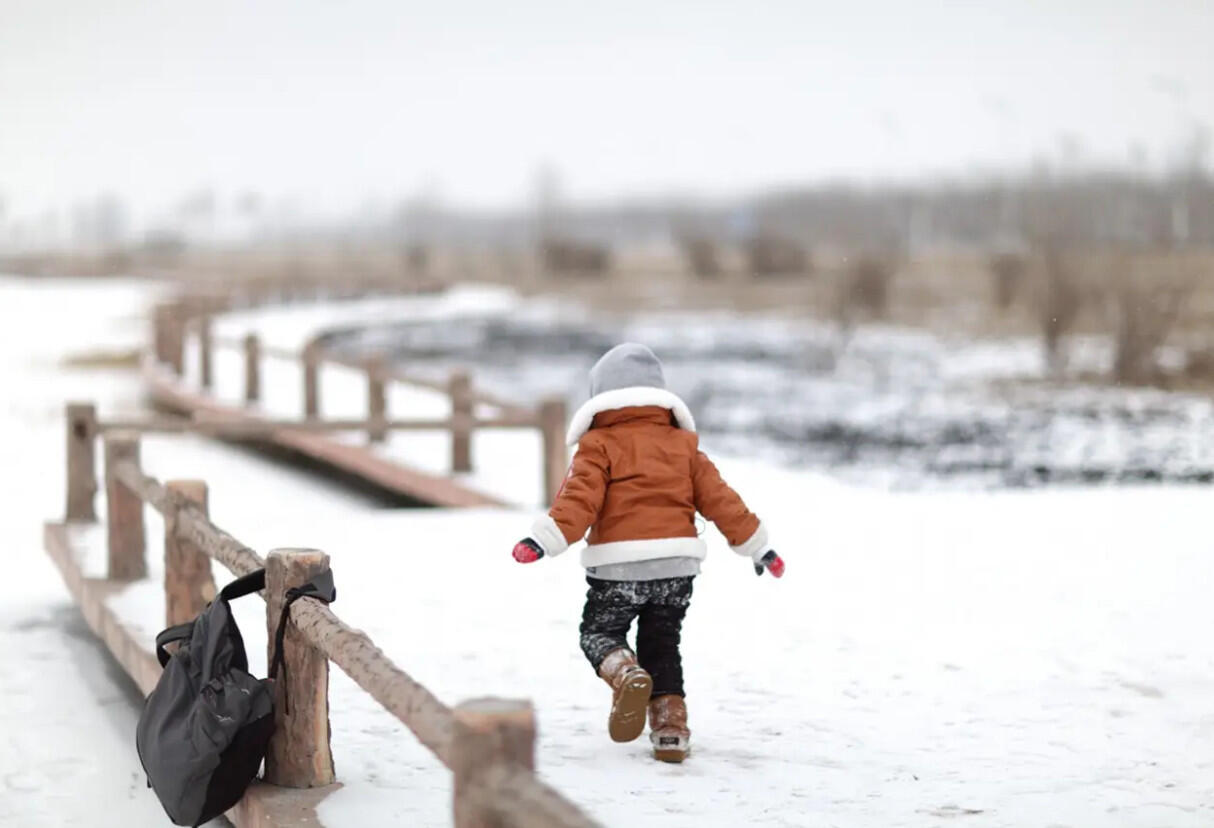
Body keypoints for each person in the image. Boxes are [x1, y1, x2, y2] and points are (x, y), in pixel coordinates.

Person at [511, 343, 784, 763]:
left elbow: (579, 500)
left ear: (601, 397)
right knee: (662, 645)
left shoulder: (599, 444)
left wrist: (543, 541)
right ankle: (671, 729)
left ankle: (624, 671)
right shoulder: (683, 446)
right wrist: (759, 547)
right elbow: (721, 500)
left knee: (598, 634)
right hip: (676, 568)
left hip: (618, 566)